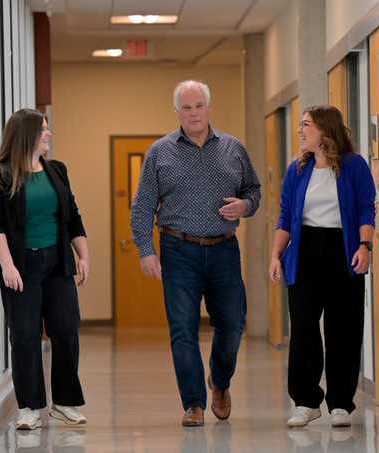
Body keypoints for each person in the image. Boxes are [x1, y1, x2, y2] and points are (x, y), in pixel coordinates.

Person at [130, 80, 261, 426]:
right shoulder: (159, 152)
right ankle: (194, 404)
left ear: (208, 107)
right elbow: (142, 205)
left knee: (232, 324)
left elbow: (253, 190)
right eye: (186, 107)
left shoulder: (233, 148)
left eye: (198, 105)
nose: (193, 113)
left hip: (224, 250)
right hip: (178, 250)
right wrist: (146, 250)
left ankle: (219, 382)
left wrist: (244, 206)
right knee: (183, 329)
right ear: (177, 112)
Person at [268, 105, 376, 428]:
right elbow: (286, 216)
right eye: (301, 125)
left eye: (305, 125)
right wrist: (276, 255)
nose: (300, 131)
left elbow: (365, 210)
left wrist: (365, 246)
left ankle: (341, 403)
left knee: (343, 329)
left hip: (343, 251)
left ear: (325, 130)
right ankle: (305, 402)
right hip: (304, 254)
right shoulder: (297, 170)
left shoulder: (354, 166)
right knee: (303, 329)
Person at [0, 108, 89, 430]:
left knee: (66, 331)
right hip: (20, 266)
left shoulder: (56, 170)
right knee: (25, 337)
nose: (48, 134)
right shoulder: (0, 174)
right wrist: (7, 265)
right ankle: (29, 408)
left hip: (58, 262)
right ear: (28, 134)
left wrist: (83, 256)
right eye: (43, 129)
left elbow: (72, 216)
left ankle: (64, 403)